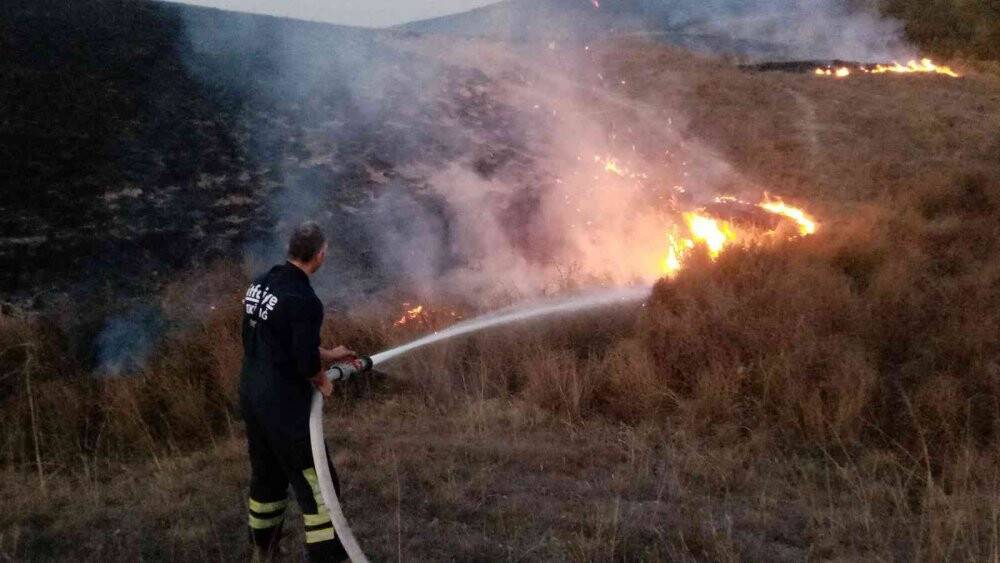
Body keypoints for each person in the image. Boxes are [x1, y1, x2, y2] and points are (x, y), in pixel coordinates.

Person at [239, 221, 356, 561]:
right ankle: (328, 557)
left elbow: (274, 339)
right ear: (320, 255)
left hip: (252, 395)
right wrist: (322, 377)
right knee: (319, 486)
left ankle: (263, 550)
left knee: (267, 477)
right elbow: (304, 363)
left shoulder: (260, 284)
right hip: (283, 406)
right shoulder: (304, 299)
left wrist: (329, 355)